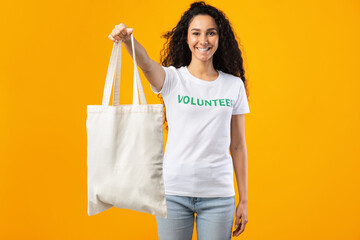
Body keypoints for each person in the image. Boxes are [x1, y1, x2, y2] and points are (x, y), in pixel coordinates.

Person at [108, 1, 249, 239]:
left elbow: (238, 146)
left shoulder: (233, 85)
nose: (203, 40)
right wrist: (128, 41)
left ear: (219, 38)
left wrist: (244, 200)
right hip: (173, 193)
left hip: (218, 196)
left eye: (211, 33)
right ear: (186, 38)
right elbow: (146, 64)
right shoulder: (172, 79)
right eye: (196, 33)